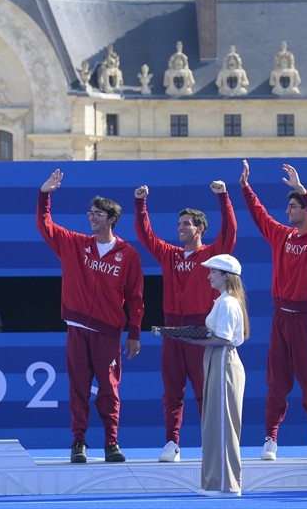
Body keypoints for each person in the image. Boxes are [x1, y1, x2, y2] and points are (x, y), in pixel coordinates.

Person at [37, 169, 145, 464]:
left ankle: (111, 442)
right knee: (78, 389)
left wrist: (134, 332)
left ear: (111, 219)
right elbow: (45, 225)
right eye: (90, 213)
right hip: (77, 327)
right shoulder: (75, 244)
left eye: (98, 214)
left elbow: (136, 297)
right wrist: (44, 195)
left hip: (109, 332)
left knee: (109, 389)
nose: (92, 217)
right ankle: (78, 442)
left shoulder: (128, 254)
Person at [134, 180, 237, 463]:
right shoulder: (170, 255)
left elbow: (230, 232)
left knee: (204, 390)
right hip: (172, 330)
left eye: (187, 224)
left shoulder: (212, 255)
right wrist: (141, 204)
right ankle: (172, 443)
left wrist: (223, 197)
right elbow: (146, 236)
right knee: (172, 391)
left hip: (199, 330)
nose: (180, 227)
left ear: (200, 228)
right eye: (179, 223)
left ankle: (210, 443)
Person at [240, 160, 307, 461]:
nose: (288, 211)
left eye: (293, 206)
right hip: (281, 317)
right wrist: (245, 188)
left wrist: (302, 190)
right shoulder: (282, 236)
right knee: (276, 383)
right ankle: (270, 439)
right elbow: (260, 216)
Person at [174, 254, 249, 496]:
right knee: (215, 423)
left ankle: (226, 485)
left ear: (226, 277)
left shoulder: (227, 303)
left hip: (223, 360)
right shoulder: (224, 301)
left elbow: (224, 338)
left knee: (222, 424)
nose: (209, 276)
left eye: (213, 272)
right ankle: (216, 481)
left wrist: (188, 338)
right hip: (217, 359)